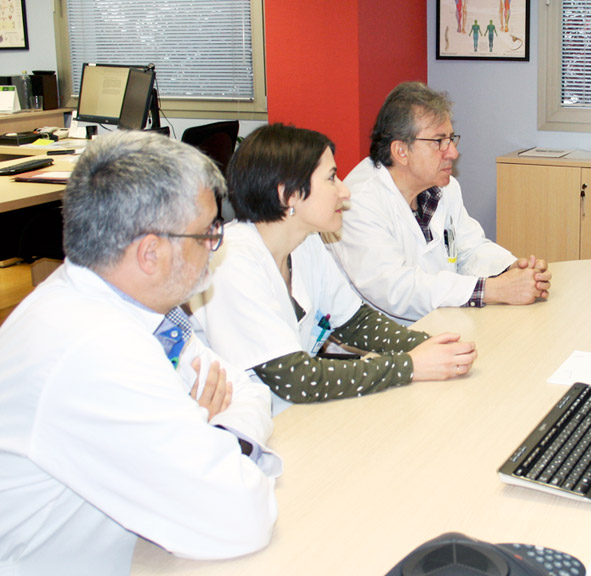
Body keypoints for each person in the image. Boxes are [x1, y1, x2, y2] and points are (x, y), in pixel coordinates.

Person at [0, 131, 280, 575]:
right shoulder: (93, 349)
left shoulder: (129, 306)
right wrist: (201, 437)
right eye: (208, 231)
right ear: (150, 253)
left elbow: (246, 389)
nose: (216, 245)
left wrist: (214, 438)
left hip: (135, 551)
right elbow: (240, 516)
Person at [189, 124, 477, 413]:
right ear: (288, 195)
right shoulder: (231, 262)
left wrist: (439, 348)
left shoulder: (305, 242)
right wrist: (410, 365)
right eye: (331, 178)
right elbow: (295, 379)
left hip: (292, 416)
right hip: (243, 429)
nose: (344, 191)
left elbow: (356, 323)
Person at [324, 81, 551, 324]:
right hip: (382, 344)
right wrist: (492, 290)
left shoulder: (444, 187)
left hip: (444, 321)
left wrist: (511, 269)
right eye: (439, 141)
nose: (452, 152)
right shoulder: (357, 202)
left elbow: (469, 247)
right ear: (401, 151)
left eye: (451, 139)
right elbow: (394, 288)